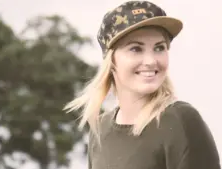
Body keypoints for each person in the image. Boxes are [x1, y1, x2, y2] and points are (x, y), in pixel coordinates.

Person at [63, 1, 221, 169]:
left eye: (159, 48)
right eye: (136, 49)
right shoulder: (100, 131)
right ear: (112, 60)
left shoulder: (180, 120)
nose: (151, 61)